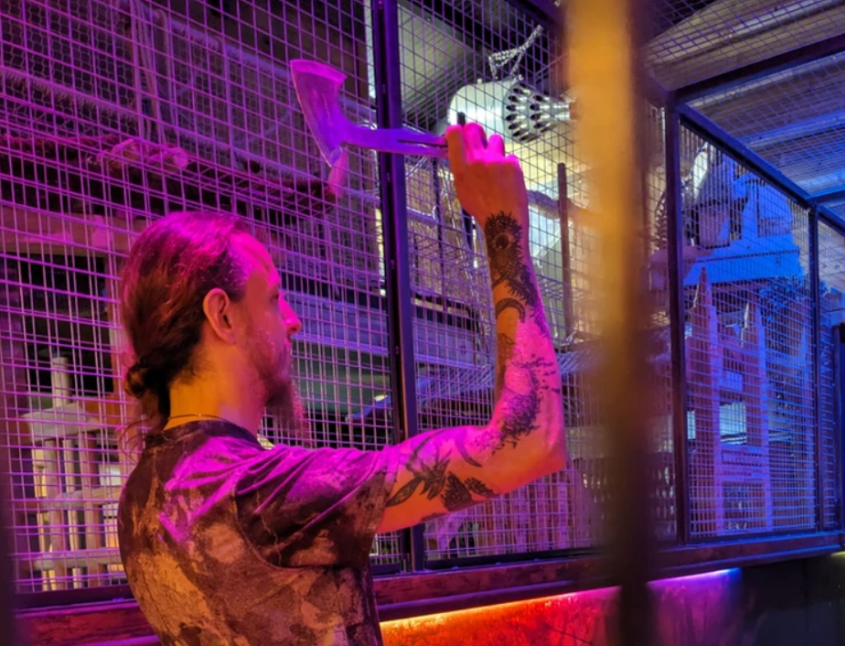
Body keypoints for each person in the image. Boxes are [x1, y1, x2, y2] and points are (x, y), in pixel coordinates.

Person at [116, 122, 566, 646]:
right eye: (273, 298)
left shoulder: (139, 499)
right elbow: (529, 442)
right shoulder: (253, 490)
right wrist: (502, 224)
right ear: (223, 315)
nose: (292, 320)